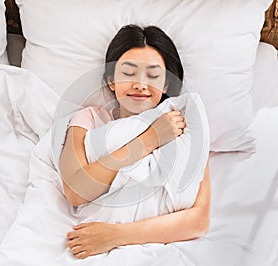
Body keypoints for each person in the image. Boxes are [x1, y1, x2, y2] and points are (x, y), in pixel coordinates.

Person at [59, 24, 211, 260]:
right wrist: (150, 139)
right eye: (129, 74)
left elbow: (198, 220)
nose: (140, 84)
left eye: (152, 75)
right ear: (111, 81)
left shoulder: (185, 122)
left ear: (166, 84)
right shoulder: (88, 119)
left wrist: (115, 235)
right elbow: (76, 191)